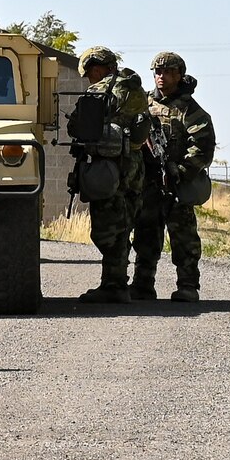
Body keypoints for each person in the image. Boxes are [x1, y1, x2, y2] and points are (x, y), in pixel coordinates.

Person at [133, 51, 216, 303]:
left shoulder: (190, 110)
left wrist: (180, 171)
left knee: (184, 239)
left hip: (178, 183)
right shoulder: (144, 105)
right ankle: (142, 285)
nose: (161, 77)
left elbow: (203, 146)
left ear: (179, 75)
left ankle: (188, 285)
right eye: (158, 72)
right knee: (146, 235)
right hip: (149, 183)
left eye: (168, 72)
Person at [73, 45, 151, 303]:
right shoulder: (135, 88)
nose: (89, 80)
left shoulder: (100, 91)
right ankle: (118, 282)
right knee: (125, 223)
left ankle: (114, 285)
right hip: (135, 168)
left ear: (96, 68)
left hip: (110, 168)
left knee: (107, 228)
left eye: (89, 74)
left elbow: (78, 124)